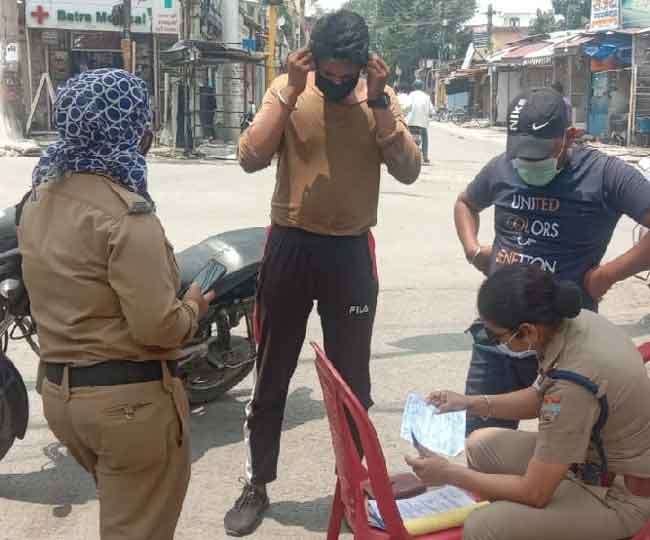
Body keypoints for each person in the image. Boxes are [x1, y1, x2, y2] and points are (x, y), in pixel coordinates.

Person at [226, 9, 421, 537]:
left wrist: (378, 101)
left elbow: (408, 169)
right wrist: (290, 89)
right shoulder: (291, 88)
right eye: (328, 73)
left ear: (364, 65)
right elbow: (249, 156)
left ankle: (351, 487)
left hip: (351, 255)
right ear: (314, 60)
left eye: (347, 73)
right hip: (290, 245)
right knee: (271, 375)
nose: (337, 82)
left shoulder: (377, 97)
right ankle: (255, 483)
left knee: (353, 383)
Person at [17, 69, 214, 540]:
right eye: (143, 121)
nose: (148, 132)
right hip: (128, 407)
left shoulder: (39, 197)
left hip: (62, 397)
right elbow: (160, 328)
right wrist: (193, 305)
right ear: (130, 128)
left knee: (122, 515)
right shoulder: (127, 217)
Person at [455, 87, 650, 435]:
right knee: (482, 437)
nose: (528, 164)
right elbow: (466, 203)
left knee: (562, 449)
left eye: (540, 154)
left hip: (564, 339)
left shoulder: (605, 175)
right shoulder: (501, 167)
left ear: (570, 136)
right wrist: (474, 250)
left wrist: (607, 275)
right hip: (499, 333)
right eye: (521, 155)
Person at [406, 265, 650, 540]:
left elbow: (535, 493)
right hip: (589, 462)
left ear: (527, 331)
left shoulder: (573, 385)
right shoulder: (572, 323)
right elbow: (538, 397)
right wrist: (468, 402)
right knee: (480, 444)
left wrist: (449, 474)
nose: (490, 341)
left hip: (619, 498)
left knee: (484, 526)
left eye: (493, 336)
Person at [407, 79, 433, 164]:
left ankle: (407, 154)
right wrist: (431, 114)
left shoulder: (410, 95)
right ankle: (425, 157)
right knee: (425, 136)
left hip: (410, 121)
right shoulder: (427, 96)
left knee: (407, 136)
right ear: (422, 87)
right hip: (422, 123)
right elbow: (432, 111)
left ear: (414, 87)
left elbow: (406, 106)